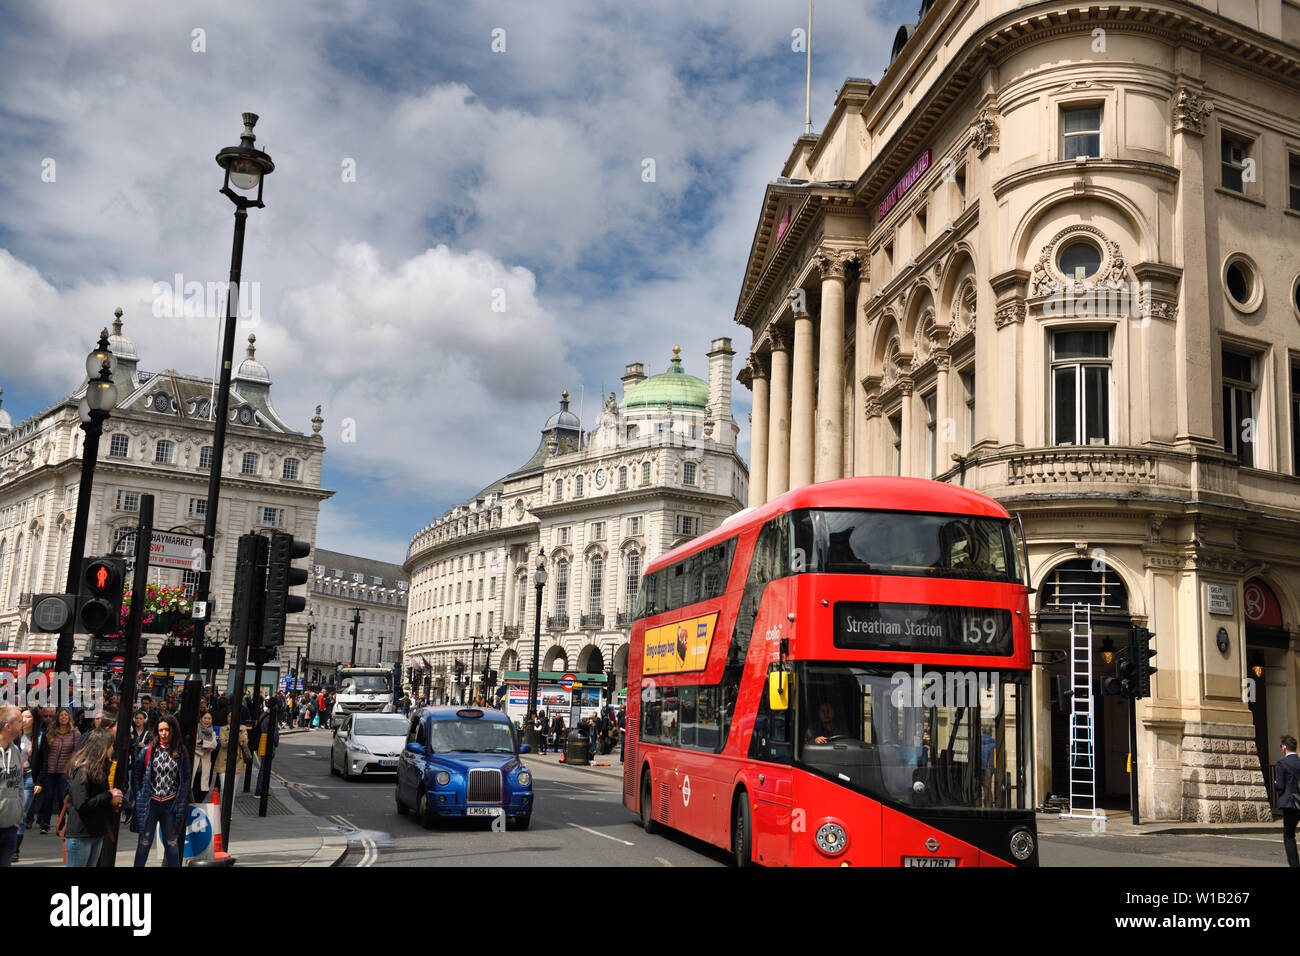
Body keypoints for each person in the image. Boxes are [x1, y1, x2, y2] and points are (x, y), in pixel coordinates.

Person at [132, 713, 190, 868]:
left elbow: (185, 780)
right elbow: (136, 774)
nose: (163, 734)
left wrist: (180, 800)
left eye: (166, 730)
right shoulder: (149, 750)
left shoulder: (182, 751)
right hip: (151, 803)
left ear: (173, 730)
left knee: (171, 845)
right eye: (160, 730)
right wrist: (139, 795)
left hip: (170, 805)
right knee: (144, 845)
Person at [63, 728, 122, 867]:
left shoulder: (100, 768)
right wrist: (108, 795)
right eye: (111, 745)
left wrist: (112, 802)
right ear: (102, 747)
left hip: (96, 832)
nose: (113, 749)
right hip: (81, 833)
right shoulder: (82, 770)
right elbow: (81, 804)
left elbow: (97, 799)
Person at [36, 707, 79, 834]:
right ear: (57, 718)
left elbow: (76, 752)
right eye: (61, 716)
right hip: (50, 769)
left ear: (69, 717)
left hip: (64, 771)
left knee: (62, 797)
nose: (63, 718)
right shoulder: (51, 732)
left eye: (66, 715)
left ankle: (61, 824)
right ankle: (45, 823)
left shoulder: (75, 733)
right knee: (48, 797)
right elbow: (45, 752)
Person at [14, 707, 43, 862]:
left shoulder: (39, 737)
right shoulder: (13, 735)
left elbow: (43, 761)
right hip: (12, 777)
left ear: (34, 720)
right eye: (22, 717)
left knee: (21, 813)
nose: (24, 720)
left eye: (28, 717)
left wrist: (39, 781)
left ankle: (15, 849)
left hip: (29, 778)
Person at [0, 706, 24, 866]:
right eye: (20, 721)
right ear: (7, 726)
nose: (23, 724)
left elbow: (19, 785)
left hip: (10, 826)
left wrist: (18, 816)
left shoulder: (15, 750)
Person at [1276, 734, 1300, 867]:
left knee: (1289, 835)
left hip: (1290, 803)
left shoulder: (1282, 763)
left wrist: (1275, 783)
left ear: (1284, 747)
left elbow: (1279, 786)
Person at [214, 721, 252, 796]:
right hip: (223, 761)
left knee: (233, 789)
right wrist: (234, 736)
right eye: (229, 716)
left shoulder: (242, 728)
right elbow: (224, 744)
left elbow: (244, 743)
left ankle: (230, 808)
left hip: (237, 761)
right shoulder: (223, 728)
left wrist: (238, 734)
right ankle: (223, 807)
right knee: (224, 787)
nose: (231, 718)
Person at [255, 700, 280, 797]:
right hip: (267, 744)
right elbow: (274, 733)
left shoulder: (263, 715)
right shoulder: (271, 717)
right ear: (275, 706)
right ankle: (260, 790)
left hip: (262, 742)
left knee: (263, 767)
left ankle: (261, 789)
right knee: (264, 768)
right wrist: (276, 743)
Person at [192, 711, 219, 802]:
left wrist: (202, 743)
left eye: (209, 718)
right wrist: (206, 747)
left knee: (203, 790)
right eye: (205, 718)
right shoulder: (195, 730)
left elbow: (214, 745)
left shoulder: (212, 732)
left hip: (205, 765)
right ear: (200, 719)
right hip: (194, 765)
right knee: (192, 790)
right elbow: (193, 745)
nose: (207, 720)